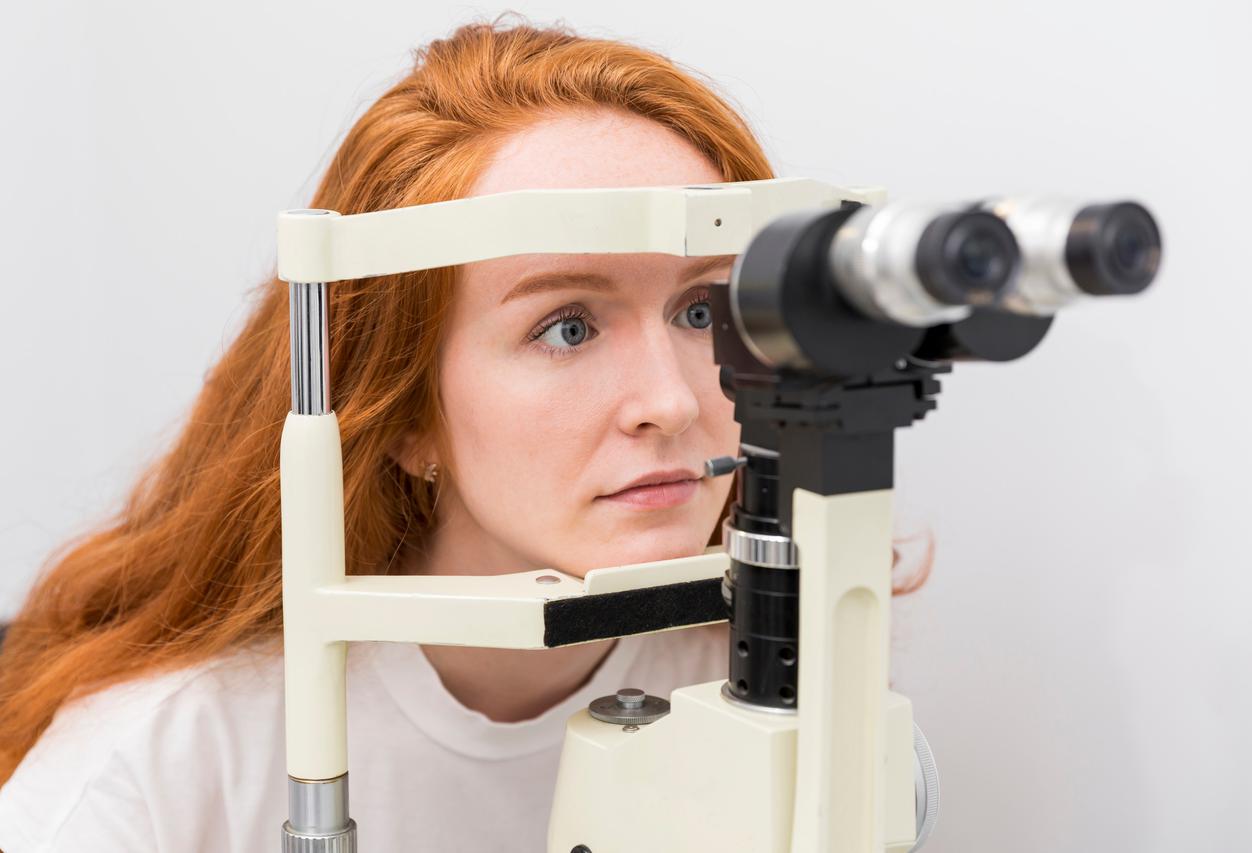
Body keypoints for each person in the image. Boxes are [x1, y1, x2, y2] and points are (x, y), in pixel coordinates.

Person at [0, 15, 933, 852]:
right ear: (406, 414)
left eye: (700, 310)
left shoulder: (770, 673)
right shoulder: (156, 771)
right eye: (567, 326)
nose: (671, 402)